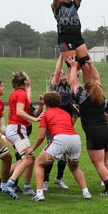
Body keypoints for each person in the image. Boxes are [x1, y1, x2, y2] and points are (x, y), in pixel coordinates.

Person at [23, 92, 92, 201]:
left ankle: (39, 194)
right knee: (74, 167)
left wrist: (32, 149)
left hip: (60, 139)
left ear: (46, 103)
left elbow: (41, 136)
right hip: (75, 139)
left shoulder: (45, 114)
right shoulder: (65, 113)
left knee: (39, 164)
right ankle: (86, 192)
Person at [67, 57, 108, 195]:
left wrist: (74, 66)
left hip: (94, 133)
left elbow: (73, 82)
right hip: (106, 130)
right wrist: (91, 65)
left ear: (86, 89)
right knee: (105, 160)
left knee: (99, 163)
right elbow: (97, 78)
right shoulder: (101, 95)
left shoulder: (83, 97)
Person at [1, 71, 43, 200]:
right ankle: (10, 184)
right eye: (28, 79)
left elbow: (15, 112)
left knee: (29, 158)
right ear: (24, 81)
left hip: (15, 128)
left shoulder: (16, 93)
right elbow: (19, 112)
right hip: (17, 128)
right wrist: (34, 119)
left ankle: (26, 187)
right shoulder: (21, 93)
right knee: (28, 158)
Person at [52, 0, 92, 82]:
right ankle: (73, 93)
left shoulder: (74, 5)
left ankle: (90, 91)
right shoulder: (57, 6)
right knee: (73, 67)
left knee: (86, 66)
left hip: (78, 37)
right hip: (65, 38)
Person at [43, 56, 76, 190]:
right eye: (60, 73)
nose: (62, 74)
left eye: (64, 73)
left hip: (65, 124)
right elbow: (57, 72)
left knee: (65, 153)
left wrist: (71, 64)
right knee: (51, 153)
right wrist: (62, 57)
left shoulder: (69, 87)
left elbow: (72, 74)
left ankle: (59, 178)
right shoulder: (54, 87)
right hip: (53, 124)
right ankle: (45, 180)